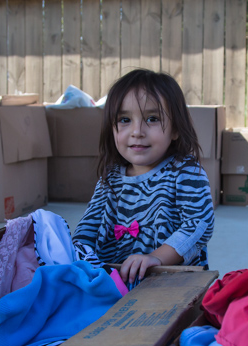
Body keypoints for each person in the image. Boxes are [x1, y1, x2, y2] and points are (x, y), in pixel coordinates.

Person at [72, 68, 215, 285]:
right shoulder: (111, 178)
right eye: (125, 120)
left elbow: (198, 225)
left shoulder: (184, 171)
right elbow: (88, 226)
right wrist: (77, 255)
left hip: (169, 280)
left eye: (152, 118)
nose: (137, 131)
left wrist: (156, 258)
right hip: (114, 278)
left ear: (175, 129)